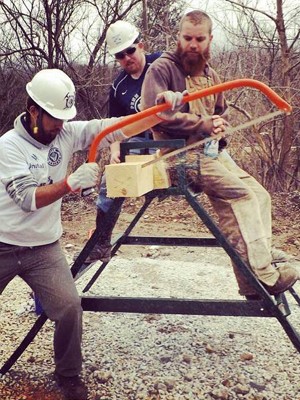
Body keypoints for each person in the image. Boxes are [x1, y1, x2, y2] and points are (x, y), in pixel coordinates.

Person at [0, 68, 182, 400]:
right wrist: (70, 184)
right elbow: (27, 199)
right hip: (4, 243)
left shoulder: (65, 133)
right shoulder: (9, 147)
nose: (60, 124)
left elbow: (116, 127)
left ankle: (68, 375)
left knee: (69, 306)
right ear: (33, 110)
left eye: (64, 118)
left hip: (43, 248)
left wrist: (158, 112)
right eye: (54, 117)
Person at [141, 10, 299, 299]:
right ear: (178, 37)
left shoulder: (211, 74)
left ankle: (260, 256)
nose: (193, 44)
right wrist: (201, 123)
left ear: (209, 39)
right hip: (179, 156)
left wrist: (219, 127)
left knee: (260, 194)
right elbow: (154, 114)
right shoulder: (162, 69)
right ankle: (261, 276)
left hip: (210, 153)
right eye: (187, 37)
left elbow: (219, 111)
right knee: (239, 195)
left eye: (199, 39)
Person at [78, 20, 161, 264]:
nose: (126, 58)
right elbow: (114, 125)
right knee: (109, 179)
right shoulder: (118, 86)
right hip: (137, 140)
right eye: (119, 55)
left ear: (141, 46)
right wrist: (115, 150)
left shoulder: (162, 64)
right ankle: (101, 242)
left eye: (130, 51)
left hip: (171, 137)